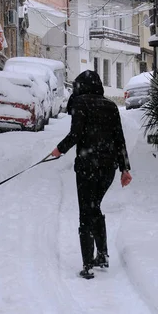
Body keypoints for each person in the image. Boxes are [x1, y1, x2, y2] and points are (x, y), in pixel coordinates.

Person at [51, 70, 132, 279]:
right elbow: (119, 139)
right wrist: (125, 168)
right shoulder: (111, 106)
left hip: (87, 166)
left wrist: (60, 149)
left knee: (86, 212)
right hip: (107, 168)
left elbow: (76, 133)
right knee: (94, 207)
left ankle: (87, 264)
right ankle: (102, 255)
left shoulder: (80, 103)